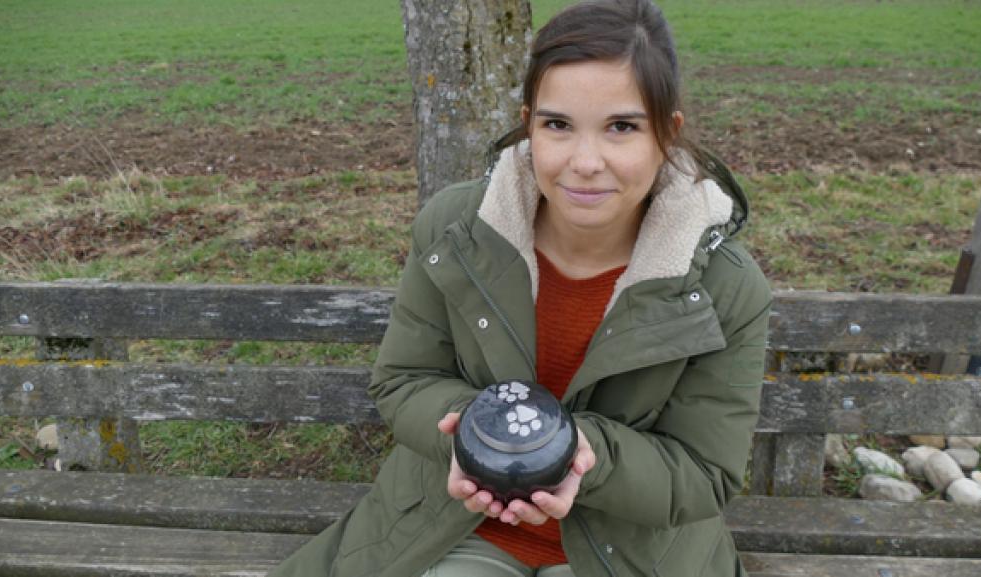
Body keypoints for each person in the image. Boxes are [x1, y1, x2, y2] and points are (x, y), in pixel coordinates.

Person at [267, 0, 771, 575]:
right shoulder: (456, 230)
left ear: (666, 134)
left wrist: (581, 456)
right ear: (530, 123)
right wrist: (469, 437)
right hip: (456, 528)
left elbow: (706, 472)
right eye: (558, 125)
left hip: (628, 552)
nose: (585, 162)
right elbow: (404, 380)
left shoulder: (723, 286)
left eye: (622, 128)